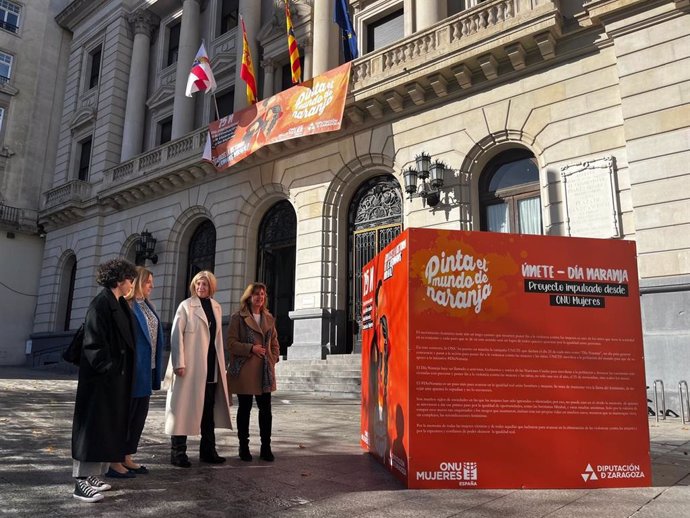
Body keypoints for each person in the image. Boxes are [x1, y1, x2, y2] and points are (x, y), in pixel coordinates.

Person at [71, 258, 137, 503]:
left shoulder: (117, 302)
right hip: (101, 380)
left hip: (113, 379)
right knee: (91, 429)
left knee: (104, 428)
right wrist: (110, 369)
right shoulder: (101, 303)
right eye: (130, 279)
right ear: (120, 280)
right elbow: (93, 343)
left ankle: (94, 475)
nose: (132, 284)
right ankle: (80, 483)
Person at [164, 270, 232, 467]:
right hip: (189, 366)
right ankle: (178, 453)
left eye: (205, 284)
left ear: (211, 287)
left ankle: (208, 450)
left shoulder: (216, 307)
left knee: (208, 409)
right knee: (181, 407)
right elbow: (176, 336)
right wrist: (179, 363)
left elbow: (217, 339)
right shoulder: (185, 306)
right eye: (198, 284)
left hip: (211, 366)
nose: (201, 288)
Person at [108, 266, 165, 477]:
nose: (152, 285)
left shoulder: (147, 305)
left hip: (146, 370)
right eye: (149, 281)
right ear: (139, 282)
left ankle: (127, 456)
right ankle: (114, 461)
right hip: (132, 370)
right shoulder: (127, 305)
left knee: (138, 417)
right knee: (126, 415)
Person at [227, 282, 280, 462]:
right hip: (246, 370)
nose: (260, 297)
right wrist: (251, 348)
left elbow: (274, 342)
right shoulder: (238, 318)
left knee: (266, 410)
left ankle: (266, 447)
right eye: (256, 294)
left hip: (265, 371)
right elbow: (231, 344)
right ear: (249, 297)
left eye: (263, 294)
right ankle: (244, 447)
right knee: (245, 409)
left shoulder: (268, 318)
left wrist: (273, 358)